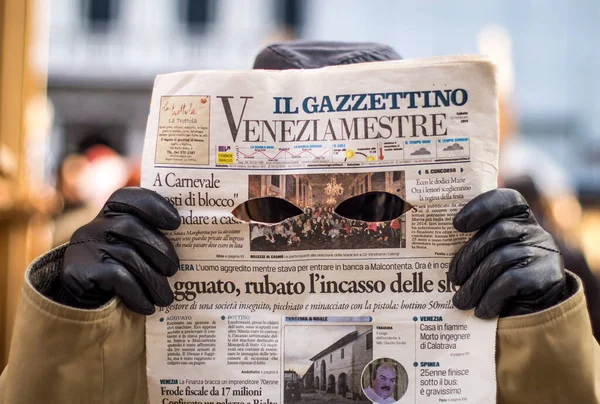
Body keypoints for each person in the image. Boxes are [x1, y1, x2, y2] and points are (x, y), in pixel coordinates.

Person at [0, 42, 598, 404]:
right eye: (265, 208)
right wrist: (77, 322)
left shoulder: (501, 290)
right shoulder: (132, 298)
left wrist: (540, 333)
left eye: (373, 208)